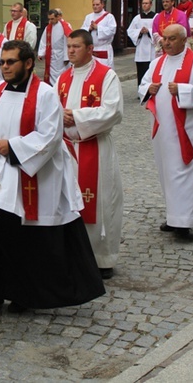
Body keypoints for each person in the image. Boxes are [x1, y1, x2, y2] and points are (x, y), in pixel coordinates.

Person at [0, 39, 105, 313]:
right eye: (3, 62)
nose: (4, 67)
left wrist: (13, 146)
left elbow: (50, 137)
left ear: (28, 64)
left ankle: (23, 294)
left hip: (31, 175)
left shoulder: (45, 94)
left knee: (23, 237)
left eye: (10, 62)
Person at [56, 30, 123, 279]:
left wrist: (77, 116)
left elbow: (113, 111)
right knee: (68, 203)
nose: (71, 50)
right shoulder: (62, 78)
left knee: (102, 202)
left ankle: (102, 258)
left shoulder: (106, 76)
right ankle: (72, 255)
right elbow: (51, 107)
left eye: (76, 46)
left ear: (90, 49)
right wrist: (59, 115)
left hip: (94, 147)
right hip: (66, 149)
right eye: (69, 46)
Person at [138, 24, 193, 239]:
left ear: (184, 40)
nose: (167, 42)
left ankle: (185, 222)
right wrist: (148, 89)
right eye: (164, 38)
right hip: (163, 129)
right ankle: (174, 216)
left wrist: (182, 89)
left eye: (172, 38)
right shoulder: (157, 63)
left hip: (186, 129)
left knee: (185, 171)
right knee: (168, 173)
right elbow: (143, 85)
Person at [38, 8, 72, 85]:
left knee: (62, 74)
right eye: (49, 19)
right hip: (51, 55)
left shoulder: (65, 26)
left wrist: (67, 57)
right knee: (51, 73)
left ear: (58, 17)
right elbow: (44, 41)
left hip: (61, 55)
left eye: (52, 19)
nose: (51, 21)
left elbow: (67, 41)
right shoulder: (48, 27)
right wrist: (41, 53)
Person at [127, 0, 157, 85]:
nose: (144, 5)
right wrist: (139, 32)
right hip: (141, 49)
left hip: (152, 49)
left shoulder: (156, 16)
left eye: (147, 3)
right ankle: (141, 89)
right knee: (141, 72)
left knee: (152, 71)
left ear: (151, 4)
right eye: (143, 3)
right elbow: (130, 31)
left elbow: (158, 30)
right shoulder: (137, 18)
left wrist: (149, 31)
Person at [81, 0, 117, 68]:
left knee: (104, 69)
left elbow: (112, 30)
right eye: (93, 5)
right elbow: (82, 30)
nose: (95, 6)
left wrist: (98, 28)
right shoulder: (88, 17)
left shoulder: (109, 17)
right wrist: (89, 28)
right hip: (92, 49)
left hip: (103, 48)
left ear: (102, 4)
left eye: (97, 4)